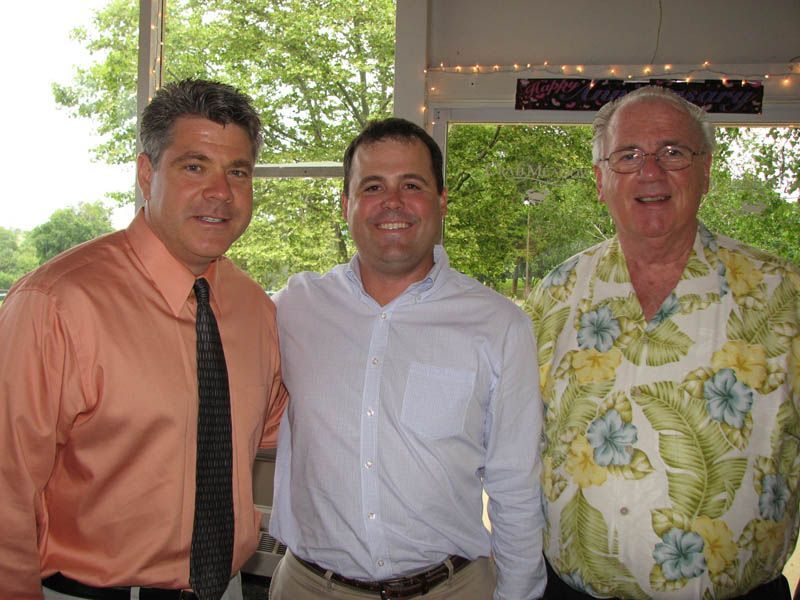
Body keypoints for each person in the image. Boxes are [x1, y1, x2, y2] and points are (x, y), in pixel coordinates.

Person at [0, 78, 288, 600]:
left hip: (224, 589)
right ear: (145, 173)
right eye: (194, 166)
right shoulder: (57, 303)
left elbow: (278, 431)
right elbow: (5, 487)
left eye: (238, 172)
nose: (220, 192)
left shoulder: (255, 309)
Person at [528, 85, 800, 599]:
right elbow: (520, 445)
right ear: (600, 179)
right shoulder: (558, 294)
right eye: (627, 155)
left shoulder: (783, 294)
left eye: (673, 152)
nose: (650, 172)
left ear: (706, 171)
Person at [268, 117, 546, 600]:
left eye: (411, 185)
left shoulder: (499, 325)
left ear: (440, 201)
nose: (392, 202)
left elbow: (516, 483)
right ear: (347, 205)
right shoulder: (293, 308)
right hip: (310, 588)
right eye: (372, 186)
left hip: (453, 588)